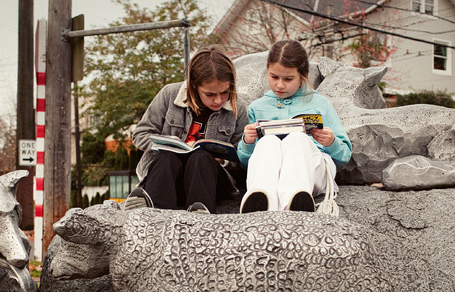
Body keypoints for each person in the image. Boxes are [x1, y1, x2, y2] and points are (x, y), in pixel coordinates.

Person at [128, 45, 248, 214]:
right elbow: (140, 134)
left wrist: (223, 160)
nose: (218, 100)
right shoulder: (169, 94)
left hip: (210, 182)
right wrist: (168, 145)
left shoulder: (238, 108)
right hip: (168, 177)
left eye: (225, 92)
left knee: (201, 157)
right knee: (168, 157)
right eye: (210, 94)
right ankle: (154, 211)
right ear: (193, 87)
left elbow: (242, 156)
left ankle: (200, 211)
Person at [237, 40, 352, 213]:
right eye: (274, 77)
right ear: (267, 71)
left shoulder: (320, 103)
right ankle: (260, 198)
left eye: (288, 79)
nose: (280, 85)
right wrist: (247, 141)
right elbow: (247, 161)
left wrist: (331, 141)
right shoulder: (257, 107)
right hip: (273, 173)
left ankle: (296, 198)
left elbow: (345, 155)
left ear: (302, 76)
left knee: (297, 138)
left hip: (312, 169)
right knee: (267, 142)